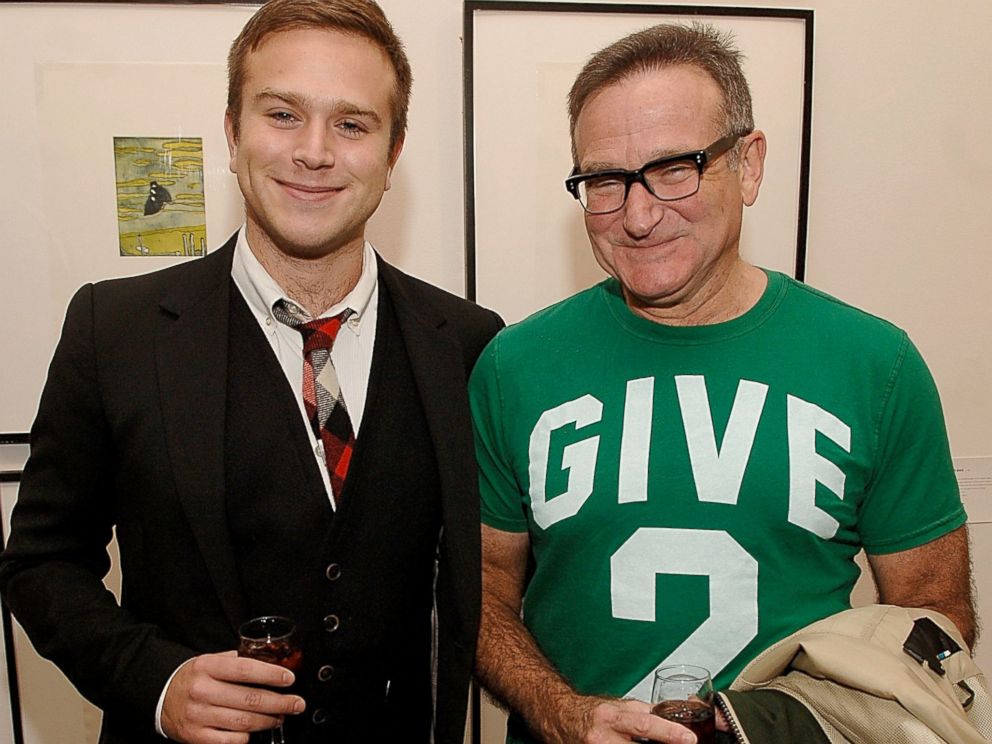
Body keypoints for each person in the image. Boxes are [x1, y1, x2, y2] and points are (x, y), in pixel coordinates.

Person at [0, 1, 501, 742]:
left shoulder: (467, 342)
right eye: (283, 115)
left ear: (393, 156)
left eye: (354, 125)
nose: (315, 152)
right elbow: (41, 564)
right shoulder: (116, 331)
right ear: (232, 135)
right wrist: (157, 682)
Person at [469, 22, 976, 744]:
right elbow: (484, 594)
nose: (639, 216)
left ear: (750, 163)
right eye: (606, 180)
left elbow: (934, 618)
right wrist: (560, 711)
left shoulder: (875, 365)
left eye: (676, 167)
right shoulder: (512, 366)